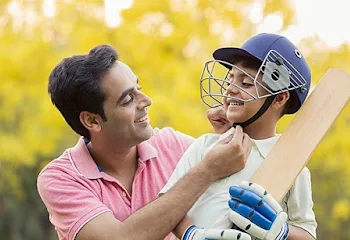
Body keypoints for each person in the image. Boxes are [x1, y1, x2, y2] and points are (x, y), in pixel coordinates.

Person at [36, 44, 252, 240]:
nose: (147, 101)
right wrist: (206, 172)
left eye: (139, 88)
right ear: (92, 120)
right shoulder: (60, 179)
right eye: (128, 99)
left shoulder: (172, 144)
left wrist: (222, 137)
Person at [160, 33, 317, 240]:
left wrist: (282, 232)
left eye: (245, 83)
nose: (231, 90)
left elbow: (307, 233)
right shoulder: (206, 145)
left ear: (279, 98)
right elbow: (169, 203)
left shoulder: (292, 165)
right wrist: (191, 234)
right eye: (230, 80)